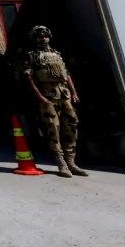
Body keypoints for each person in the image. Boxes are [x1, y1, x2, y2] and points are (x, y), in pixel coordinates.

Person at [23, 25, 86, 178]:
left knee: (72, 124)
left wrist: (73, 92)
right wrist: (40, 97)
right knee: (53, 128)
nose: (43, 39)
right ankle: (61, 162)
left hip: (64, 94)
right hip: (48, 95)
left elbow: (66, 74)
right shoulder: (32, 56)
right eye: (39, 36)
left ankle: (71, 161)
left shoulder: (57, 54)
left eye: (45, 35)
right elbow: (29, 78)